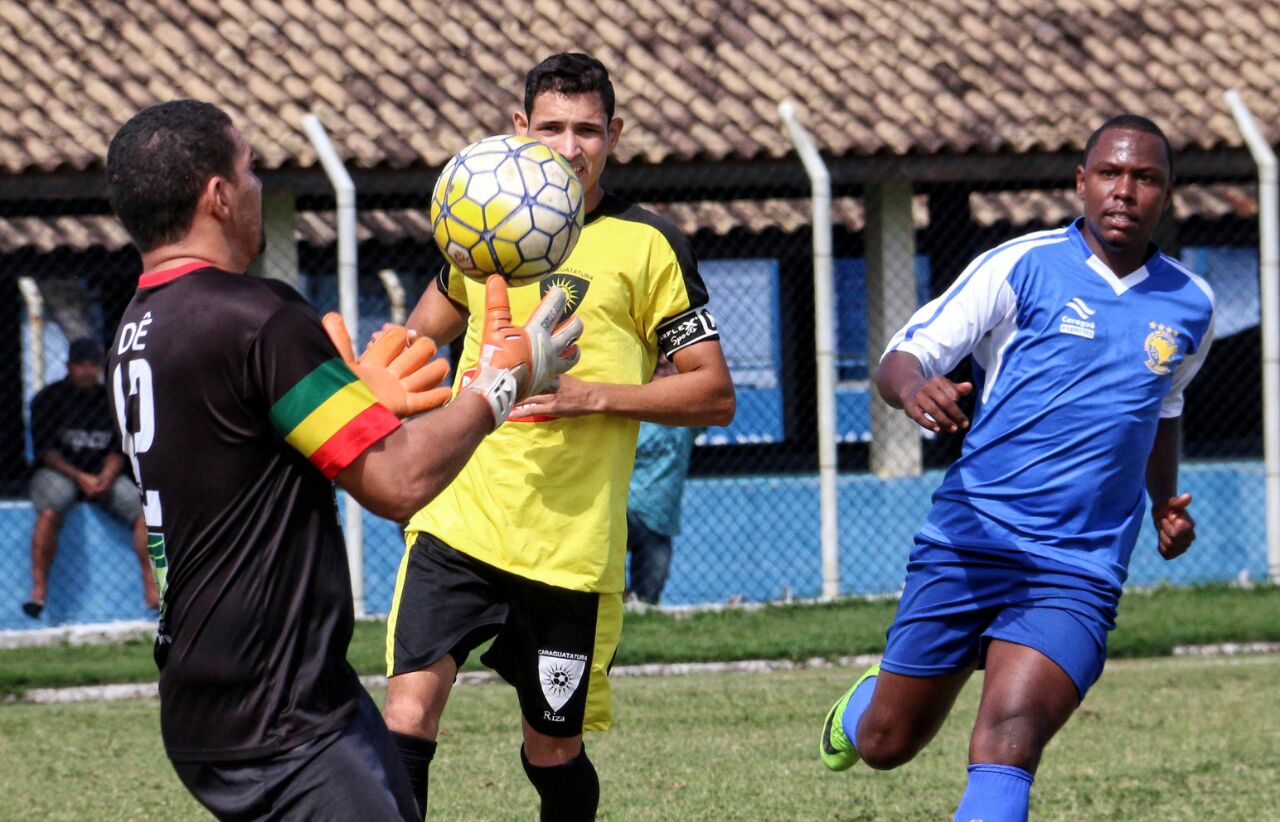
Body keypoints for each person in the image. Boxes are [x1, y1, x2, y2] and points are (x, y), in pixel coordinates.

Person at [104, 99, 579, 822]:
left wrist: (359, 406)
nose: (259, 184)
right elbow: (399, 483)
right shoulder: (257, 317)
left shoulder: (136, 328)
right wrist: (502, 385)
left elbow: (251, 460)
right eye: (251, 168)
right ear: (219, 196)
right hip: (281, 708)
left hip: (211, 690)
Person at [819, 114, 1215, 822]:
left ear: (1167, 193)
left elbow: (1164, 408)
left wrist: (1163, 503)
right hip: (971, 541)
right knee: (888, 742)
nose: (1125, 190)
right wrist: (916, 390)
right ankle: (863, 709)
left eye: (1146, 178)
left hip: (1079, 566)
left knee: (1008, 740)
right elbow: (901, 360)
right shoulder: (1020, 265)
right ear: (1081, 183)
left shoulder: (1191, 304)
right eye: (1110, 174)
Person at [382, 52, 735, 820]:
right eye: (551, 128)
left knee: (553, 751)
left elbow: (713, 393)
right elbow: (418, 339)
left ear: (615, 134)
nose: (569, 147)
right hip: (460, 518)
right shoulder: (488, 223)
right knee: (406, 716)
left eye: (587, 130)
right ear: (519, 129)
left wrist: (588, 395)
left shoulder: (649, 244)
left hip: (571, 548)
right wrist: (391, 385)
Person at [24, 336, 158, 618]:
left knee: (144, 513)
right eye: (81, 364)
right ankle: (38, 591)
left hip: (102, 476)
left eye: (93, 365)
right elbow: (47, 452)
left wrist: (107, 476)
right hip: (59, 472)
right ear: (68, 365)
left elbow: (117, 449)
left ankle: (153, 590)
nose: (87, 370)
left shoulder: (109, 400)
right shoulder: (48, 399)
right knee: (50, 511)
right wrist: (80, 476)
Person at [625, 355, 701, 606]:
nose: (664, 374)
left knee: (648, 599)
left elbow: (713, 392)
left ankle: (637, 604)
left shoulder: (686, 416)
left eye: (671, 368)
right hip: (623, 510)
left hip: (660, 520)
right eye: (658, 368)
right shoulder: (629, 412)